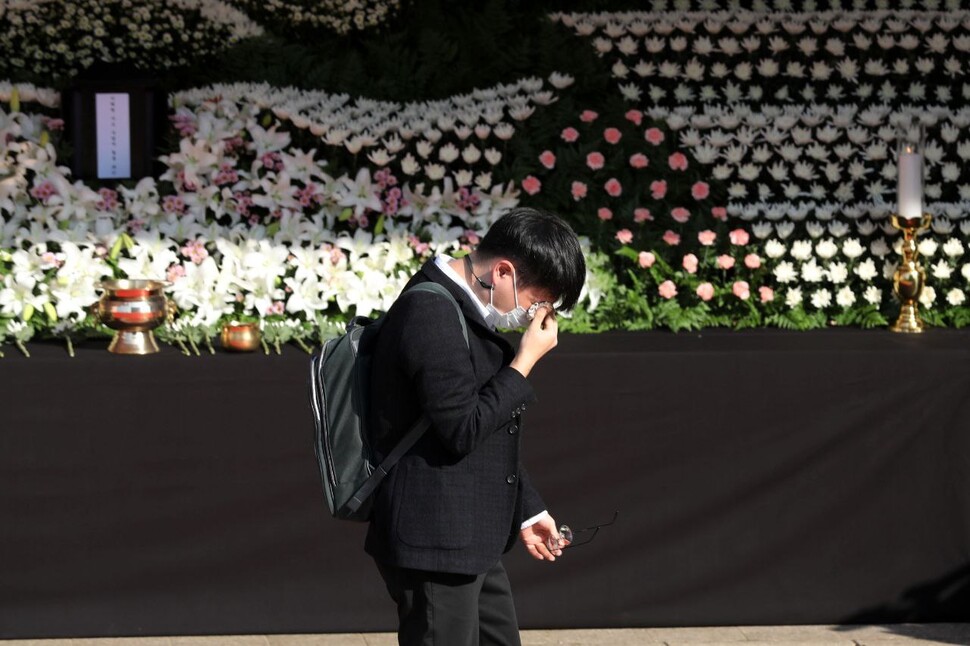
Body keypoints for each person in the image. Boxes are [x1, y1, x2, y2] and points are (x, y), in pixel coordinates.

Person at [364, 206, 587, 646]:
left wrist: (529, 509)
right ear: (503, 271)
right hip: (433, 540)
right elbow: (463, 428)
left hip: (466, 536)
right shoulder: (430, 310)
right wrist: (525, 361)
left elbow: (482, 429)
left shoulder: (459, 309)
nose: (533, 315)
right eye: (537, 301)